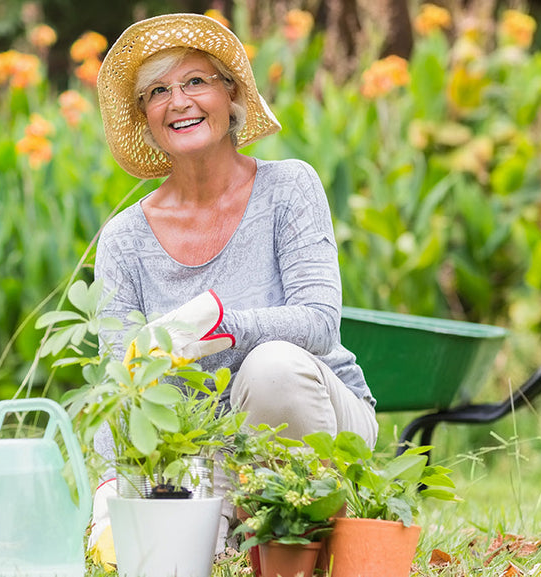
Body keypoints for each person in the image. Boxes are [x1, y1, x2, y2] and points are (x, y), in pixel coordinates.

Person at [87, 12, 379, 566]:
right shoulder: (123, 239)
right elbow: (119, 381)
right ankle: (231, 522)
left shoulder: (289, 187)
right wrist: (109, 488)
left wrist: (215, 328)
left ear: (231, 95)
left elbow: (319, 322)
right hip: (193, 454)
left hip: (316, 418)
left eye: (196, 81)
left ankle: (289, 522)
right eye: (158, 91)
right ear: (145, 119)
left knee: (271, 366)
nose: (179, 102)